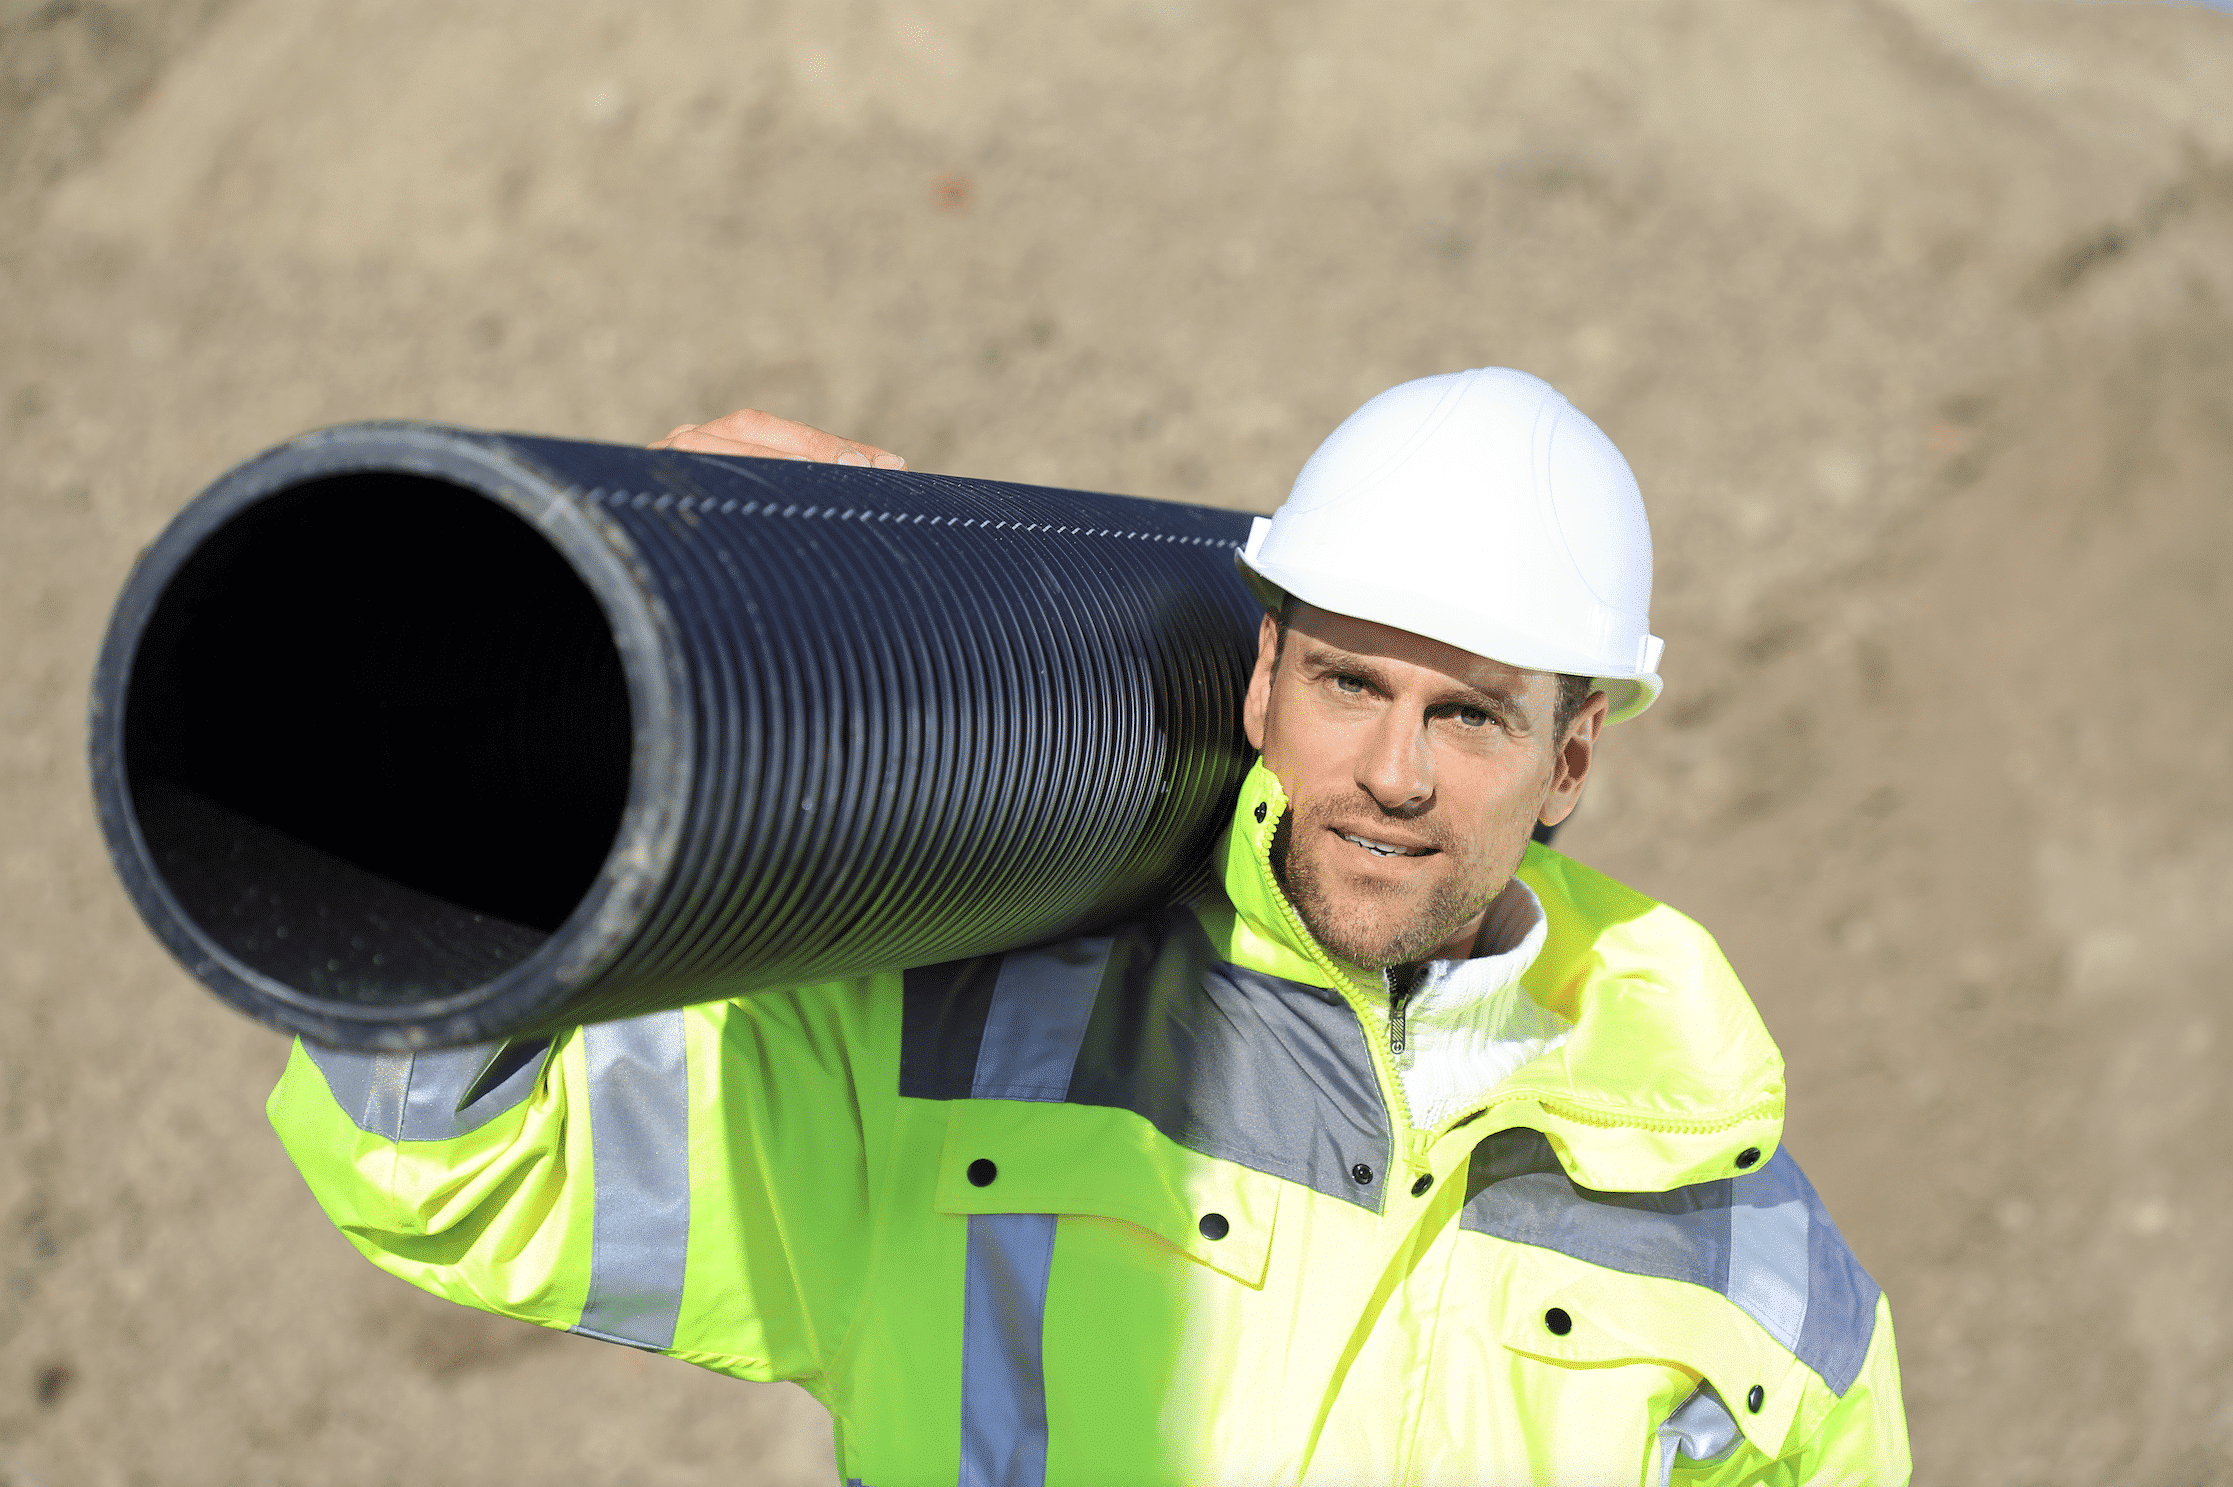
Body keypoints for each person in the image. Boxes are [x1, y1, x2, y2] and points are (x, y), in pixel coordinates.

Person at [271, 370, 1910, 1484]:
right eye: (1349, 682)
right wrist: (578, 704)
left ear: (1569, 758)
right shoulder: (960, 1047)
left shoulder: (1750, 1268)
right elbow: (461, 1161)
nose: (1394, 772)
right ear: (1263, 682)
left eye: (1470, 716)